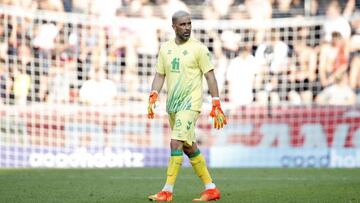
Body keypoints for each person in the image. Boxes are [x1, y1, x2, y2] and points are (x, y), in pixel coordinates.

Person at [147, 10, 227, 202]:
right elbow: (160, 75)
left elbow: (210, 75)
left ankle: (167, 191)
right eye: (182, 24)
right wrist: (153, 95)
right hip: (173, 105)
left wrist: (216, 102)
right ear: (173, 27)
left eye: (189, 24)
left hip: (190, 104)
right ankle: (211, 188)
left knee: (175, 142)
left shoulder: (198, 48)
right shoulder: (165, 48)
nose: (187, 28)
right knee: (188, 147)